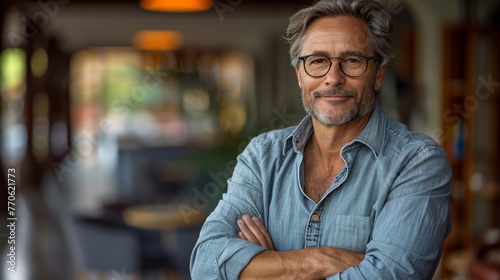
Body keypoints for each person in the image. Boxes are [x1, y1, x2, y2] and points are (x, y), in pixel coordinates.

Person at [190, 0, 452, 279]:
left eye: (352, 61)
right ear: (300, 76)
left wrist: (267, 266)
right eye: (317, 61)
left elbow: (391, 276)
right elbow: (206, 263)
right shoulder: (262, 155)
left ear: (378, 75)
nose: (333, 78)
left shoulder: (417, 162)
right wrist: (318, 260)